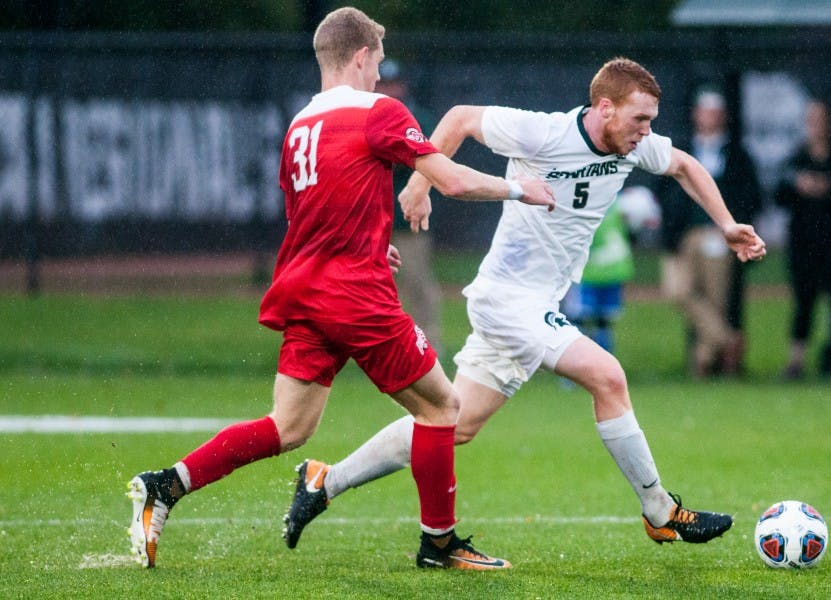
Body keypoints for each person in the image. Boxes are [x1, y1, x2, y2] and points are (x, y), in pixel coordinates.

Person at [126, 7, 555, 572]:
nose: (379, 74)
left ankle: (166, 485)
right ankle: (440, 545)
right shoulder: (378, 111)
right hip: (354, 296)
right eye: (376, 61)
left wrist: (372, 244)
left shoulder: (300, 124)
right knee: (441, 408)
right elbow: (448, 179)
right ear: (359, 57)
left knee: (289, 427)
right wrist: (518, 189)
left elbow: (310, 213)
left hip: (306, 290)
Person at [280, 58, 766, 554]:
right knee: (608, 376)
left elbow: (684, 164)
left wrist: (727, 224)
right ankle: (660, 510)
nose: (647, 132)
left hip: (527, 304)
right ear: (605, 108)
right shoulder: (545, 133)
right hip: (510, 301)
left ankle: (324, 481)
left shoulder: (633, 145)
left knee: (451, 424)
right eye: (640, 120)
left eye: (651, 122)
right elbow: (461, 119)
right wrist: (421, 184)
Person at [657, 88, 762, 377]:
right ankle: (728, 340)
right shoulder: (681, 149)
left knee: (717, 300)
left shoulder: (737, 156)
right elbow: (666, 192)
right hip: (688, 235)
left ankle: (704, 364)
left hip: (718, 235)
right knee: (680, 291)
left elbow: (749, 196)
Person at [775, 100, 831, 380]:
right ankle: (796, 362)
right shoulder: (796, 159)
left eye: (821, 120)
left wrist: (829, 189)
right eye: (811, 120)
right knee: (803, 303)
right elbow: (779, 195)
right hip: (804, 244)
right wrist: (799, 186)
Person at [377, 58, 445, 353]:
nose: (390, 90)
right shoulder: (369, 117)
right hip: (371, 218)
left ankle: (428, 344)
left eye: (394, 84)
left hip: (407, 218)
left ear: (403, 86)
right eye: (384, 84)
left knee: (416, 282)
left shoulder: (417, 118)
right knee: (375, 286)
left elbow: (431, 157)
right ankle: (383, 347)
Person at [562, 196, 636, 354]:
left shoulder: (585, 204)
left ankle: (579, 365)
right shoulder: (617, 201)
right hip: (613, 269)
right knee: (601, 321)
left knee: (579, 320)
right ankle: (601, 360)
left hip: (590, 273)